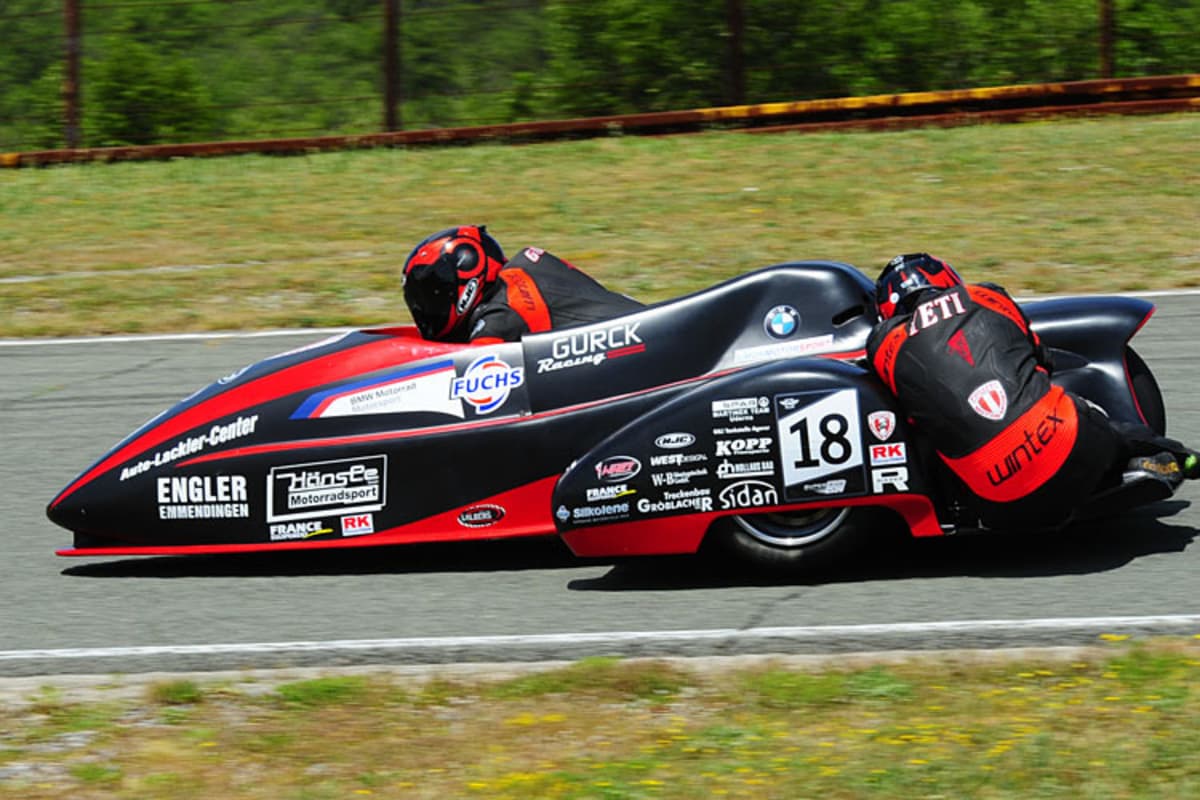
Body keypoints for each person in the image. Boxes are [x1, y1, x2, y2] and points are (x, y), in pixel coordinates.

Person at [865, 252, 1198, 530]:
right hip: (1070, 443)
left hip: (996, 507)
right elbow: (1041, 359)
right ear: (947, 278)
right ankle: (1181, 458)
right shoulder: (987, 295)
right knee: (1096, 420)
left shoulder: (881, 346)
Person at [401, 225, 644, 343]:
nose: (427, 308)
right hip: (641, 326)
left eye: (433, 295)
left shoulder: (498, 320)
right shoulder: (525, 266)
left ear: (469, 271)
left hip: (637, 350)